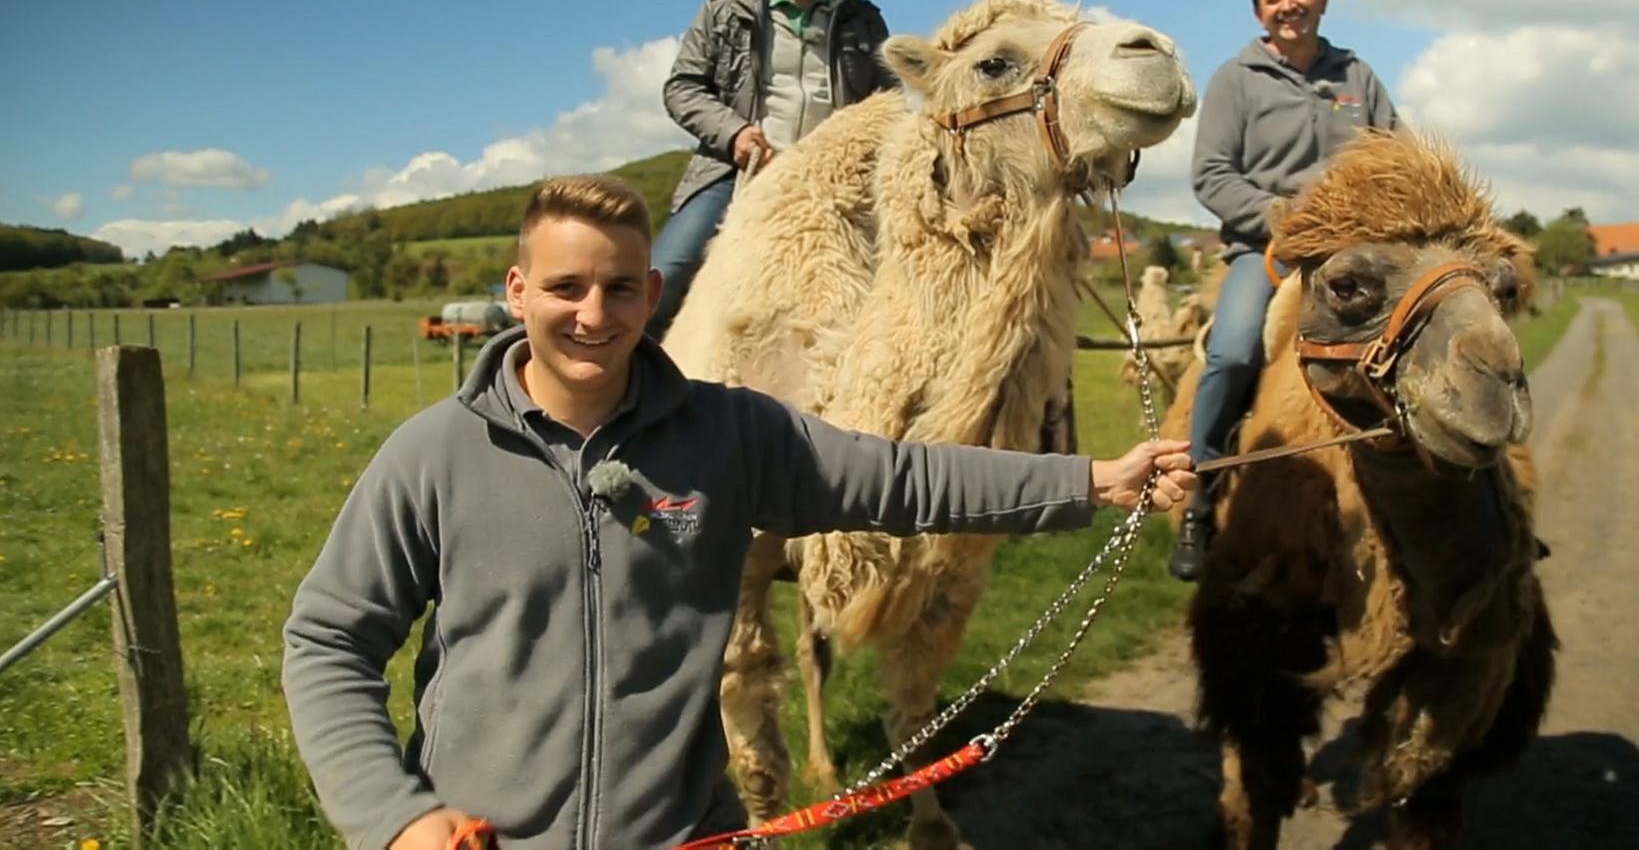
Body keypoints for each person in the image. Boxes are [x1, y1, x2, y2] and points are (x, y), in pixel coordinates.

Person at [282, 174, 1195, 850]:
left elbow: (907, 480)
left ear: (655, 293)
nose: (593, 314)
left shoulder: (729, 435)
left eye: (620, 288)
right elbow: (328, 641)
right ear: (516, 293)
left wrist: (1093, 481)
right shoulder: (433, 455)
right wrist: (394, 817)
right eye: (565, 288)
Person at [1169, 0, 1399, 582]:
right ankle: (1201, 499)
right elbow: (1211, 175)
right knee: (1236, 351)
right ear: (1259, 10)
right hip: (1266, 252)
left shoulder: (1357, 77)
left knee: (1430, 334)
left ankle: (1477, 492)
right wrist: (1279, 219)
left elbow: (1395, 153)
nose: (1289, 5)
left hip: (1359, 252)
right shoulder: (1235, 80)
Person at [647, 0, 895, 340]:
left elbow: (892, 101)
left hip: (837, 184)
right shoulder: (724, 9)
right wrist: (736, 134)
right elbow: (682, 87)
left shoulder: (864, 19)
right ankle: (633, 400)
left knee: (909, 284)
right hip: (736, 172)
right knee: (658, 281)